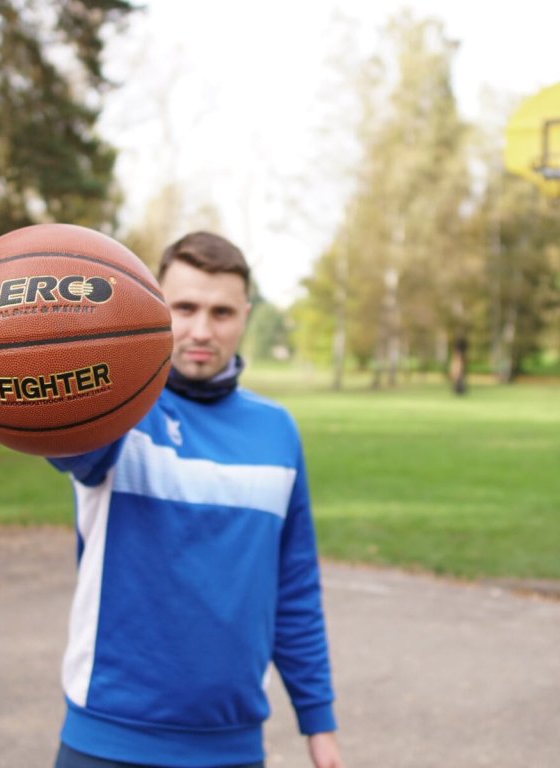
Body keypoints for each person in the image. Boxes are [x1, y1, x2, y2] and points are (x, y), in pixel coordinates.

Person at [47, 232, 344, 768]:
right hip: (106, 741)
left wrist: (318, 721)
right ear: (154, 309)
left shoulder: (276, 430)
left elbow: (295, 586)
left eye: (221, 312)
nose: (202, 331)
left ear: (245, 316)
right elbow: (64, 439)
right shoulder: (115, 414)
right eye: (184, 308)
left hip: (232, 746)